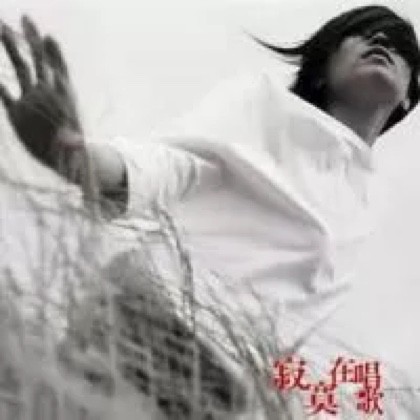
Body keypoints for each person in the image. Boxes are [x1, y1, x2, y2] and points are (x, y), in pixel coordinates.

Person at [1, 5, 420, 416]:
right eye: (362, 31)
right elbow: (170, 163)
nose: (381, 40)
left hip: (226, 389)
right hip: (152, 321)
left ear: (407, 97)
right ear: (322, 68)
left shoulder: (361, 210)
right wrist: (76, 157)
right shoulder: (264, 108)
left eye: (400, 45)